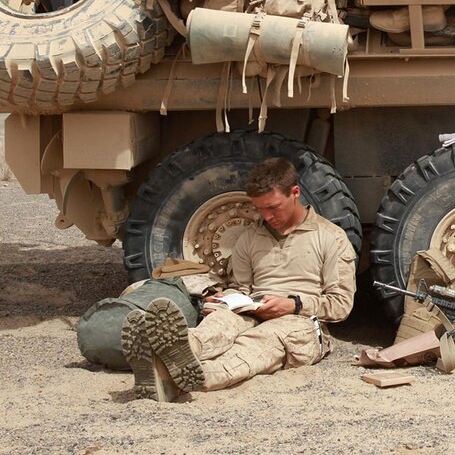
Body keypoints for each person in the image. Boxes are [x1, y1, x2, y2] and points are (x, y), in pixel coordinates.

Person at [120, 157, 357, 401]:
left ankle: (196, 377)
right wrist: (225, 300)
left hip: (301, 322)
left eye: (273, 207)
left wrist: (294, 304)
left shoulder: (331, 238)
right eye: (260, 209)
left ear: (295, 193)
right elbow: (240, 287)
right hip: (252, 312)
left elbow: (341, 304)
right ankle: (171, 351)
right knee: (220, 324)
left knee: (261, 343)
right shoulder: (249, 238)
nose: (267, 216)